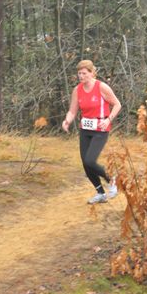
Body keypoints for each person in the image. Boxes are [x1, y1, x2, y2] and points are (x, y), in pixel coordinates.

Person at [62, 60, 122, 204]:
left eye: (84, 73)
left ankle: (111, 180)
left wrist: (108, 120)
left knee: (90, 160)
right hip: (86, 129)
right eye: (79, 73)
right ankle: (100, 193)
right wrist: (67, 120)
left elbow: (117, 104)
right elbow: (72, 110)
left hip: (100, 129)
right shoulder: (77, 90)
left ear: (91, 73)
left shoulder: (101, 87)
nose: (81, 76)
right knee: (85, 163)